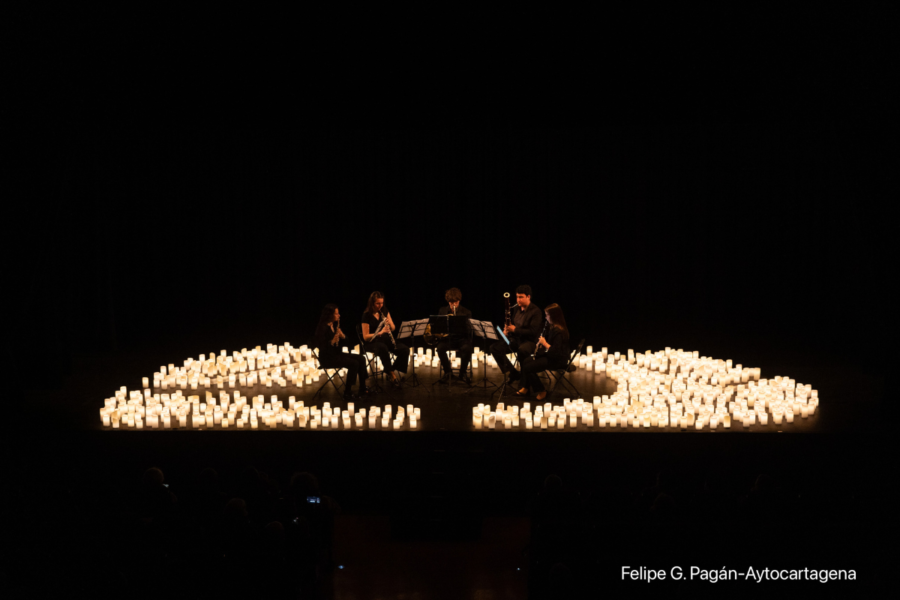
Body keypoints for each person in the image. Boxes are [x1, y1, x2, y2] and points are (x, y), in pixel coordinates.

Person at [512, 303, 570, 401]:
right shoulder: (552, 327)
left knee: (527, 367)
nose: (546, 317)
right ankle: (526, 388)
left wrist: (544, 343)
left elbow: (555, 352)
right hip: (551, 356)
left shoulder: (559, 332)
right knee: (526, 361)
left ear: (554, 316)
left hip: (558, 360)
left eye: (547, 315)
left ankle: (541, 390)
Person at [314, 304, 368, 400]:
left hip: (336, 354)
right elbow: (321, 347)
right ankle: (347, 392)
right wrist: (331, 342)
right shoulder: (322, 328)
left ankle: (363, 388)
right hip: (327, 358)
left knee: (361, 358)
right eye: (336, 314)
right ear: (329, 315)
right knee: (354, 363)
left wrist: (343, 336)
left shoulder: (334, 325)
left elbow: (347, 343)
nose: (339, 315)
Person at [490, 284, 543, 378]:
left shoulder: (536, 311)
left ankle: (525, 379)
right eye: (517, 297)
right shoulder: (515, 308)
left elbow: (533, 332)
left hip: (529, 341)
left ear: (528, 296)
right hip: (515, 339)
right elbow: (512, 325)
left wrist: (515, 329)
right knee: (495, 348)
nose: (518, 300)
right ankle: (513, 373)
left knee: (522, 350)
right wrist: (507, 330)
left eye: (521, 297)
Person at [360, 292, 409, 386]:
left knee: (405, 350)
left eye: (382, 303)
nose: (380, 306)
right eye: (378, 303)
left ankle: (390, 370)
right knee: (383, 348)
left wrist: (389, 325)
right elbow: (365, 337)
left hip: (386, 340)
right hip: (372, 342)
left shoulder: (384, 311)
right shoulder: (366, 315)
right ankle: (392, 375)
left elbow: (393, 327)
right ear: (372, 303)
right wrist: (380, 332)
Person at [435, 287, 474, 384]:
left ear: (459, 301)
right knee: (440, 348)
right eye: (451, 303)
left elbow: (470, 330)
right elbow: (438, 327)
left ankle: (462, 373)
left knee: (467, 348)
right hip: (448, 339)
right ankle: (448, 373)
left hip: (462, 339)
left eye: (455, 302)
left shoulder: (466, 312)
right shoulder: (443, 311)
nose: (453, 305)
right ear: (448, 302)